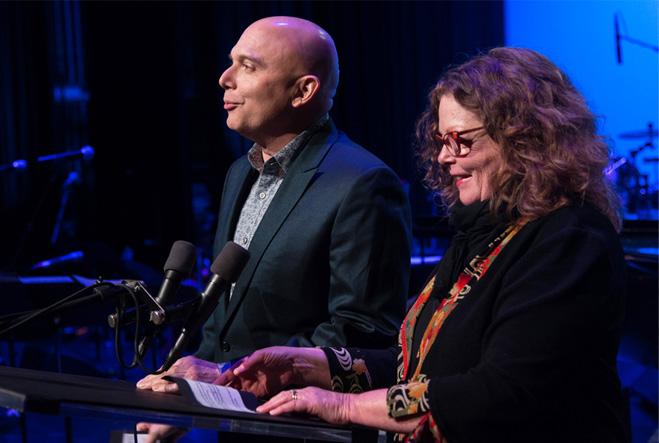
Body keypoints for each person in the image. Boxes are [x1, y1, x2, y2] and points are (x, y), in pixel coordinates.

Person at [216, 47, 628, 443]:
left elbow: (502, 390)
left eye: (460, 139)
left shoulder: (570, 239)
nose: (446, 157)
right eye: (440, 139)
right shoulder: (482, 234)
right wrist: (304, 366)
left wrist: (344, 406)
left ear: (525, 140)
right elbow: (413, 366)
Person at [136, 16, 411, 393]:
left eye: (247, 66)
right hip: (233, 418)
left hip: (305, 423)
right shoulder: (239, 173)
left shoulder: (363, 183)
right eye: (231, 61)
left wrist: (228, 377)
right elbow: (223, 317)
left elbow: (359, 333)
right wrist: (188, 389)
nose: (224, 78)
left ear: (302, 91)